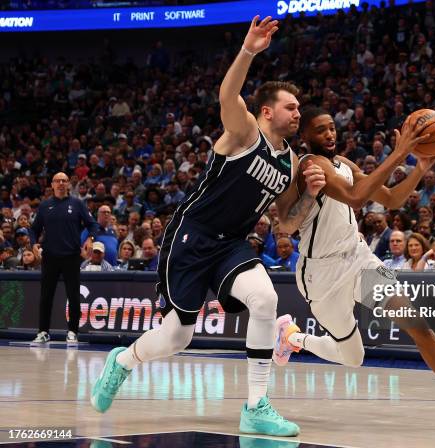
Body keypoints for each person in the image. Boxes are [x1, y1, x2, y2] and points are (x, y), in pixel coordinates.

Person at [91, 16, 326, 437]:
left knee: (264, 298)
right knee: (177, 337)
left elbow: (287, 222)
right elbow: (227, 94)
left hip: (231, 244)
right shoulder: (245, 131)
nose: (297, 113)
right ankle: (122, 362)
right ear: (268, 110)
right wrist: (249, 50)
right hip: (191, 235)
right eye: (291, 107)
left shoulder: (291, 161)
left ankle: (256, 405)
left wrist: (309, 192)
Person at [273, 107, 435, 431]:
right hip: (322, 275)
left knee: (418, 324)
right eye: (320, 130)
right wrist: (400, 154)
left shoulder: (346, 165)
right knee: (352, 357)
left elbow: (392, 200)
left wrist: (419, 167)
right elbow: (357, 199)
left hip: (359, 260)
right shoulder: (310, 165)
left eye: (332, 127)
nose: (329, 134)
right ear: (306, 137)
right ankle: (292, 336)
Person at [31, 172, 98, 344]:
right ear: (52, 185)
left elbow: (92, 225)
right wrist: (33, 244)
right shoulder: (45, 206)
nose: (61, 183)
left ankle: (73, 332)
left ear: (68, 184)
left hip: (71, 257)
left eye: (64, 181)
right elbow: (34, 229)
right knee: (46, 297)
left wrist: (90, 240)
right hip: (50, 257)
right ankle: (43, 332)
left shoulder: (77, 204)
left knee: (74, 296)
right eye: (57, 181)